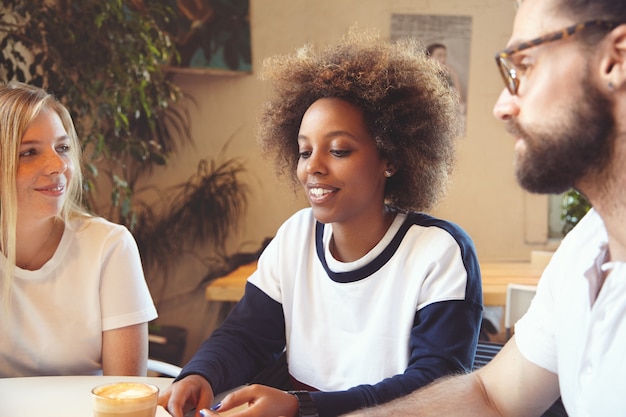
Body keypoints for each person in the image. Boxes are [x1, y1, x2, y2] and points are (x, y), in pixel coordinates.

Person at [159, 29, 482, 417]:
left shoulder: (439, 252)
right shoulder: (295, 236)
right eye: (304, 151)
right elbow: (246, 336)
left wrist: (303, 408)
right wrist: (201, 374)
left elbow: (437, 384)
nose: (312, 167)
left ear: (390, 159)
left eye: (339, 150)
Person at [339, 0, 626, 416]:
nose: (502, 107)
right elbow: (492, 398)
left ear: (615, 60)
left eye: (524, 66)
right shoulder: (586, 248)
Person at [0, 82, 158, 377]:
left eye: (62, 147)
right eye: (29, 152)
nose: (58, 165)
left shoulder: (109, 246)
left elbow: (123, 394)